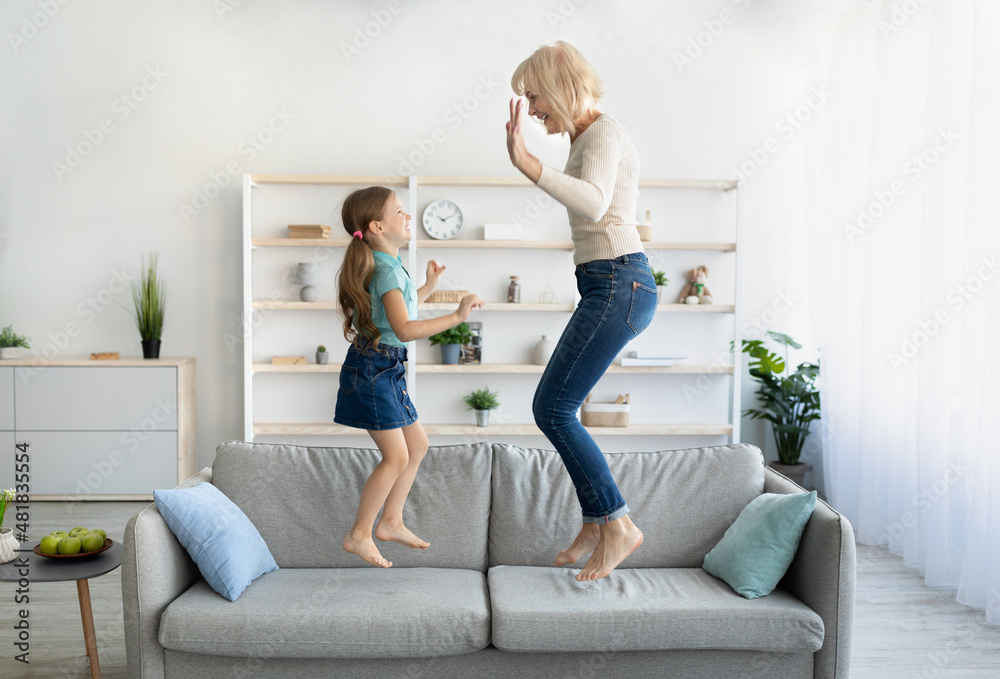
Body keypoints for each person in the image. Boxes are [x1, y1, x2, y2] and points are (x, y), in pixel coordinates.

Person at [506, 42, 658, 581]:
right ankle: (597, 520)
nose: (532, 107)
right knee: (556, 407)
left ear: (559, 84)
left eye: (534, 95)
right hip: (609, 282)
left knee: (553, 408)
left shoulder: (603, 132)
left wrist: (527, 164)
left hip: (619, 281)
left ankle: (618, 524)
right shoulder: (585, 137)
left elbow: (594, 203)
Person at [334, 186, 483, 568]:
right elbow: (403, 328)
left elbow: (396, 310)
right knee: (396, 455)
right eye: (400, 211)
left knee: (417, 446)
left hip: (386, 368)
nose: (407, 216)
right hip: (373, 370)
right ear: (377, 226)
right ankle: (358, 534)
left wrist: (429, 287)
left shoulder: (389, 265)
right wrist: (456, 317)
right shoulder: (383, 269)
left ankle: (391, 521)